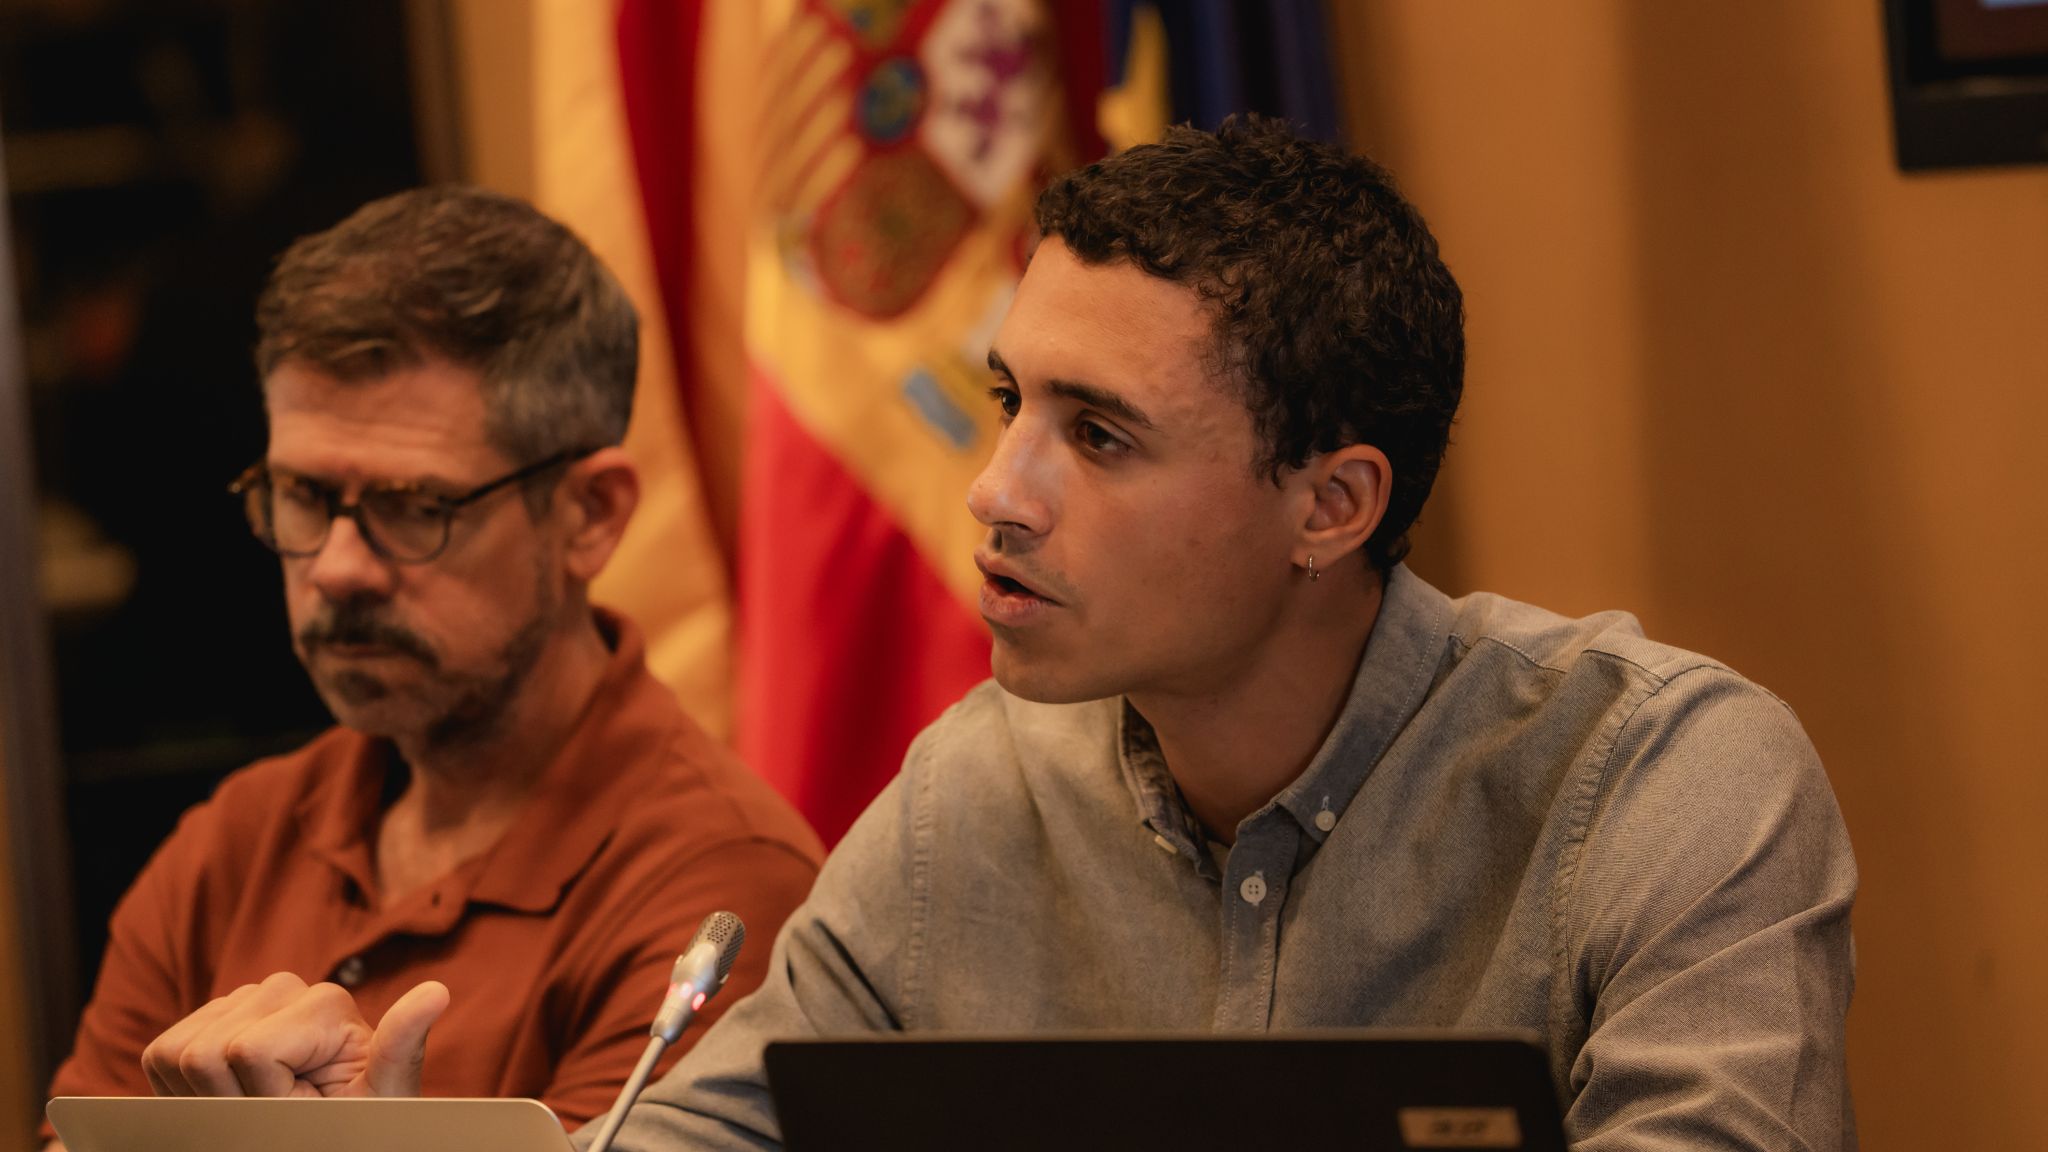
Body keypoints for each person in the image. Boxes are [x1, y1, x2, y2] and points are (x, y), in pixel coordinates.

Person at [138, 119, 1858, 1150]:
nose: (997, 492)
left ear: (1331, 505)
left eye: (1097, 435)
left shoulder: (1658, 784)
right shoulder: (975, 794)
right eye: (1005, 401)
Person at [43, 187, 824, 1140]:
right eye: (302, 494)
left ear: (590, 516)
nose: (337, 567)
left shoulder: (717, 893)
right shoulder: (231, 846)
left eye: (416, 508)